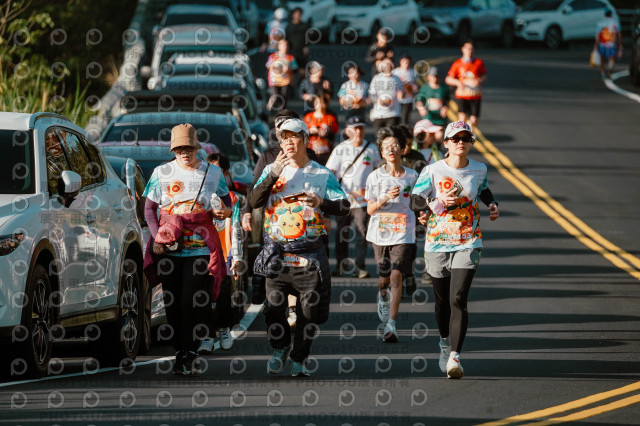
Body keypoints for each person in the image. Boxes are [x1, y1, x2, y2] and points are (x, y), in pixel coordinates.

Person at [249, 118, 349, 377]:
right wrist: (273, 173)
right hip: (277, 253)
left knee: (309, 312)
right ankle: (280, 346)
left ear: (305, 140)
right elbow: (255, 200)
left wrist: (321, 202)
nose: (288, 142)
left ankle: (299, 357)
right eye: (284, 138)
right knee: (273, 308)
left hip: (309, 255)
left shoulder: (321, 174)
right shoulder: (272, 169)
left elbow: (344, 206)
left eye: (293, 136)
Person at [410, 120, 500, 379]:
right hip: (437, 242)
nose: (461, 142)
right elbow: (415, 200)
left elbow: (483, 190)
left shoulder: (479, 169)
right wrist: (435, 201)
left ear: (471, 143)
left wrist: (492, 204)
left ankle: (455, 357)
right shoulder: (433, 170)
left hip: (468, 241)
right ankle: (443, 341)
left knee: (458, 298)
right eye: (456, 138)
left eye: (466, 138)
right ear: (446, 143)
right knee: (442, 303)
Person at [143, 123, 232, 375]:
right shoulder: (162, 173)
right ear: (173, 150)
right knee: (171, 302)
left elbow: (227, 201)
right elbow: (149, 209)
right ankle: (180, 351)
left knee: (189, 301)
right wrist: (156, 236)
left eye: (189, 148)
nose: (185, 153)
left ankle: (190, 350)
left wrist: (224, 212)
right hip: (169, 247)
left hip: (200, 248)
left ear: (197, 148)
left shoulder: (212, 173)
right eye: (179, 149)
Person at [242, 110, 318, 329]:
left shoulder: (310, 156)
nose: (282, 132)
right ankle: (277, 312)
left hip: (303, 228)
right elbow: (255, 188)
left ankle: (293, 309)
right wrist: (248, 211)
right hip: (274, 226)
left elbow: (324, 188)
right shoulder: (268, 156)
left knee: (297, 269)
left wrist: (323, 210)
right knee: (276, 270)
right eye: (278, 128)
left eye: (288, 128)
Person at [365, 126, 419, 343]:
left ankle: (392, 325)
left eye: (395, 145)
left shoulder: (413, 176)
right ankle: (382, 295)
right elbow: (370, 209)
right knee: (384, 278)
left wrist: (424, 216)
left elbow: (419, 203)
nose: (391, 149)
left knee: (397, 275)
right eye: (386, 146)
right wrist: (385, 198)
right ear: (382, 152)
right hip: (380, 233)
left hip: (404, 233)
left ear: (402, 149)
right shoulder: (375, 177)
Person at [198, 153, 245, 354]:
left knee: (223, 295)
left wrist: (237, 256)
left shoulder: (232, 199)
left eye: (217, 171)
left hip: (224, 255)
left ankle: (224, 329)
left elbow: (236, 228)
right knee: (203, 296)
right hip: (202, 253)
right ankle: (207, 336)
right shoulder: (199, 196)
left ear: (225, 173)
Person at [326, 115, 381, 278]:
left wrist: (369, 190)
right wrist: (336, 191)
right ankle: (341, 265)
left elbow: (379, 172)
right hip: (343, 200)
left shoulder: (371, 149)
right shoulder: (341, 149)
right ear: (348, 131)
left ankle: (359, 266)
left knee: (361, 234)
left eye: (361, 128)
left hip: (363, 201)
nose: (359, 131)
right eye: (355, 128)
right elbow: (330, 172)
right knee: (341, 233)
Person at [445, 40, 486, 127]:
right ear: (463, 49)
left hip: (475, 95)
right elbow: (448, 79)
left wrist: (479, 81)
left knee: (474, 120)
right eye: (467, 48)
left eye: (471, 49)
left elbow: (484, 76)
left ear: (474, 50)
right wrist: (458, 82)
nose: (469, 51)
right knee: (462, 119)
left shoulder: (478, 63)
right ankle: (462, 133)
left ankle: (471, 133)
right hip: (462, 95)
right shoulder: (457, 64)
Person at [368, 58, 404, 132]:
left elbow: (402, 94)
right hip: (379, 114)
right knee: (379, 136)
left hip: (393, 113)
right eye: (385, 64)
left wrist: (401, 94)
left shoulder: (397, 78)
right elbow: (372, 94)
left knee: (391, 135)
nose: (388, 66)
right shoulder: (377, 78)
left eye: (389, 64)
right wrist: (379, 101)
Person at [303, 94, 339, 165]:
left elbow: (335, 130)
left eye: (321, 102)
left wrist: (327, 132)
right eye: (317, 102)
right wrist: (311, 131)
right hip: (310, 149)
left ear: (326, 104)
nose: (319, 105)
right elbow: (302, 131)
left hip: (325, 151)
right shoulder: (308, 117)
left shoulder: (330, 118)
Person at [266, 39, 298, 112]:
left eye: (286, 45)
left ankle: (281, 112)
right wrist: (276, 67)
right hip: (274, 80)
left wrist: (289, 68)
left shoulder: (290, 57)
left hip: (285, 81)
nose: (285, 47)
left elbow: (295, 69)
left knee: (284, 97)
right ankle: (268, 110)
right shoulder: (273, 56)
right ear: (279, 46)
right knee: (275, 96)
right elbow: (268, 66)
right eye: (283, 45)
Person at [415, 66, 449, 134]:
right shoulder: (424, 88)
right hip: (428, 118)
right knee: (429, 136)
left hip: (440, 119)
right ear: (428, 77)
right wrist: (421, 108)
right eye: (433, 76)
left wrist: (445, 107)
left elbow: (448, 100)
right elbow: (419, 101)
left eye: (437, 76)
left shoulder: (444, 88)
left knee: (439, 135)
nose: (435, 79)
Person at [594, 9, 622, 79]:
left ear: (605, 14)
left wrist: (596, 45)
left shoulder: (601, 23)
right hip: (611, 44)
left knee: (602, 59)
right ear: (611, 14)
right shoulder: (615, 23)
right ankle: (609, 70)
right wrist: (620, 44)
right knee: (611, 59)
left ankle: (603, 73)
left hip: (602, 44)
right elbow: (619, 35)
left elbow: (597, 35)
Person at [286, 7, 311, 84]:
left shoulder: (305, 26)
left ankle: (301, 85)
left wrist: (306, 46)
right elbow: (286, 38)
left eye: (299, 14)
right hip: (291, 52)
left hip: (301, 51)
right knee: (291, 72)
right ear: (293, 15)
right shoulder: (289, 27)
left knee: (304, 72)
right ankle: (291, 87)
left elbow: (309, 37)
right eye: (296, 14)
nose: (298, 16)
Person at [392, 54, 418, 125]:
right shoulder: (395, 72)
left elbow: (415, 84)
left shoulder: (413, 72)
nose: (406, 64)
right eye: (405, 62)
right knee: (396, 118)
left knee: (405, 119)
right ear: (400, 62)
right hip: (397, 99)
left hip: (408, 98)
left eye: (408, 62)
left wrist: (414, 87)